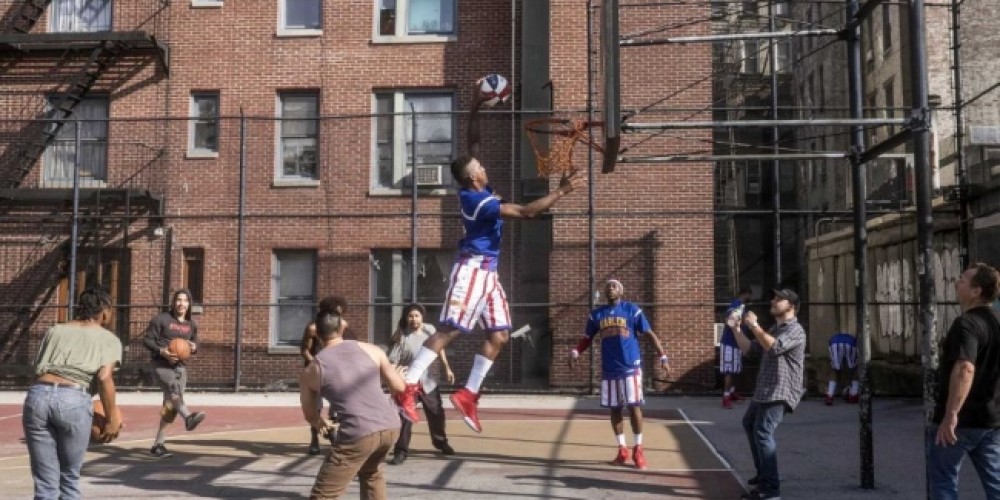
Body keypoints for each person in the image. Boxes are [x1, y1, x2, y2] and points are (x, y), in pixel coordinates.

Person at [394, 80, 585, 433]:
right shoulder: (478, 201)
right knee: (450, 330)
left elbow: (473, 143)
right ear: (473, 176)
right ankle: (407, 387)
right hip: (472, 271)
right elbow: (528, 212)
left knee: (499, 335)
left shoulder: (476, 185)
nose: (484, 166)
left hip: (489, 274)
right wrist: (561, 190)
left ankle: (468, 394)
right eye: (480, 165)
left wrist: (476, 106)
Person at [23, 287, 123, 499]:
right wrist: (112, 417)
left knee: (44, 483)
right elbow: (105, 377)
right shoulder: (108, 338)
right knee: (69, 478)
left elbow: (38, 368)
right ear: (104, 311)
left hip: (38, 396)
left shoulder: (55, 330)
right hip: (73, 396)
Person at [300, 305, 405, 499]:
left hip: (359, 432)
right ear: (341, 329)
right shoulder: (371, 349)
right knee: (371, 474)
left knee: (324, 494)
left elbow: (309, 413)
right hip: (390, 426)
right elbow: (399, 387)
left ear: (316, 335)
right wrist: (395, 377)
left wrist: (319, 422)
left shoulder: (313, 369)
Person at [568, 279, 670, 470]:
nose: (610, 289)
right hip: (610, 369)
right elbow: (586, 338)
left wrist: (662, 356)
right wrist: (575, 352)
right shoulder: (597, 314)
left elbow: (649, 334)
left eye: (614, 286)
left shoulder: (632, 310)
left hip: (630, 367)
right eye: (607, 287)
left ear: (621, 291)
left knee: (634, 407)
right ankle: (622, 449)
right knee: (615, 409)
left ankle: (638, 448)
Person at [928, 262, 1000, 500]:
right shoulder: (997, 322)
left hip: (961, 421)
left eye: (962, 280)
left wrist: (951, 414)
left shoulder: (966, 324)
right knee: (996, 482)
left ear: (976, 291)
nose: (956, 283)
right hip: (991, 420)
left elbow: (965, 368)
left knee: (943, 481)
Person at [731, 288, 806, 500]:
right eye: (773, 297)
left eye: (779, 299)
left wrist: (754, 325)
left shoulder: (796, 330)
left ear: (791, 305)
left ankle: (771, 490)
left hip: (781, 390)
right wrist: (737, 329)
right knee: (750, 424)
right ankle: (764, 476)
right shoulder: (775, 328)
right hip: (765, 389)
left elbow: (774, 348)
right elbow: (751, 349)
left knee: (763, 432)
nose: (773, 301)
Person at [387, 303, 455, 465]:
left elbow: (439, 348)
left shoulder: (429, 330)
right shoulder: (401, 336)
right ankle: (401, 451)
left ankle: (440, 442)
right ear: (406, 318)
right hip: (409, 383)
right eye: (410, 316)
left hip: (428, 382)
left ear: (422, 317)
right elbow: (392, 363)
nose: (414, 319)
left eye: (417, 315)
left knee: (436, 413)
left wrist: (446, 367)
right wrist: (395, 381)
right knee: (406, 417)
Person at [143, 288, 206, 458]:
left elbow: (195, 343)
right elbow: (147, 340)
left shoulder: (191, 324)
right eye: (179, 300)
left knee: (170, 407)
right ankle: (188, 417)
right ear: (173, 302)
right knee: (174, 391)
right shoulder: (161, 319)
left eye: (185, 300)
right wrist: (162, 351)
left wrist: (193, 347)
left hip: (180, 367)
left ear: (189, 304)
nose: (182, 303)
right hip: (161, 364)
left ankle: (158, 445)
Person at [300, 296, 349, 455]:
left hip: (335, 369)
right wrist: (316, 362)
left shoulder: (342, 326)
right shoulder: (313, 328)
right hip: (317, 369)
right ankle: (315, 438)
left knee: (336, 404)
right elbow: (305, 350)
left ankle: (333, 434)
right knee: (316, 405)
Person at [721, 286, 752, 408]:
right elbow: (729, 321)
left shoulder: (741, 306)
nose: (751, 298)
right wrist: (735, 323)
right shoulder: (736, 305)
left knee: (736, 370)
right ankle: (726, 396)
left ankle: (732, 392)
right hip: (730, 343)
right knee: (729, 371)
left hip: (737, 343)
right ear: (746, 294)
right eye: (750, 295)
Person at [824, 332, 859, 406]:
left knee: (834, 369)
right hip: (850, 344)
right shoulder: (852, 338)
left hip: (834, 343)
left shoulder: (833, 337)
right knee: (854, 368)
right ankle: (853, 394)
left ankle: (830, 395)